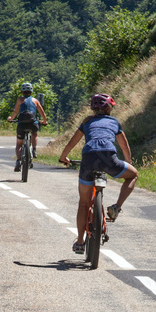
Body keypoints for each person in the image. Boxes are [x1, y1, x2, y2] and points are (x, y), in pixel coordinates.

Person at [59, 94, 138, 254]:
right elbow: (124, 146)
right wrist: (128, 162)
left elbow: (73, 141)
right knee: (133, 175)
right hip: (109, 158)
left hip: (88, 158)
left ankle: (80, 242)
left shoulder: (87, 122)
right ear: (109, 108)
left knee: (83, 203)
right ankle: (117, 207)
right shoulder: (114, 122)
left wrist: (63, 157)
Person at [8, 83, 47, 171]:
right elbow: (42, 113)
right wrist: (45, 121)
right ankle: (34, 149)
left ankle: (18, 161)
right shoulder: (35, 100)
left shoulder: (19, 99)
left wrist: (11, 118)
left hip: (21, 124)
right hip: (33, 124)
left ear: (22, 92)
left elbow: (15, 111)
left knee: (19, 144)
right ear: (31, 91)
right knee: (34, 133)